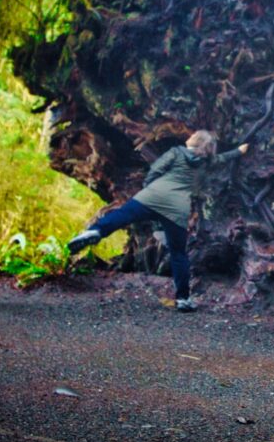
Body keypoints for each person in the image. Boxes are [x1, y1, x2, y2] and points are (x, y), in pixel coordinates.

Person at [67, 130, 248, 312]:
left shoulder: (176, 152)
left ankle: (96, 231)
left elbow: (156, 169)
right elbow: (224, 158)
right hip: (177, 207)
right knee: (178, 253)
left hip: (154, 196)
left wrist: (149, 187)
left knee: (122, 216)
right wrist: (240, 151)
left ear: (193, 140)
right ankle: (183, 298)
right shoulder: (207, 162)